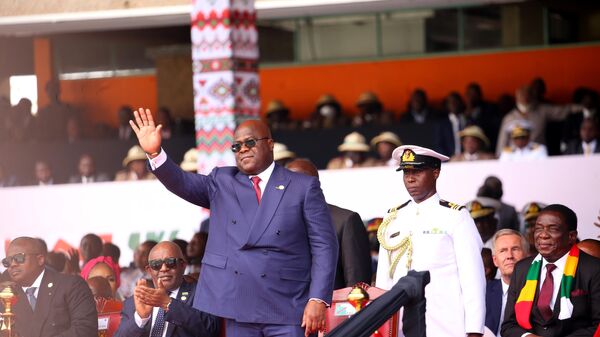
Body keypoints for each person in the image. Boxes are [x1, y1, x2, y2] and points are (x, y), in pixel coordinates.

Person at [129, 108, 338, 337]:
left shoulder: (302, 186)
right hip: (238, 306)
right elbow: (182, 182)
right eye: (236, 146)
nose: (243, 149)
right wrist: (155, 153)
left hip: (287, 306)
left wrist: (317, 298)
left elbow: (324, 246)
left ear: (270, 144)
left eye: (250, 142)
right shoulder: (223, 181)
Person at [375, 144, 486, 337]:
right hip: (399, 326)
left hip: (444, 326)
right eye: (406, 172)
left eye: (417, 171)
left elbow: (473, 279)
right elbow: (384, 280)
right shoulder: (392, 218)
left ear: (436, 172)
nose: (410, 178)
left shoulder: (456, 216)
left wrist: (474, 330)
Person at [501, 204, 600, 336]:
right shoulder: (522, 269)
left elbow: (597, 326)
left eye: (552, 229)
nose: (543, 235)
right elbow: (508, 326)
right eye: (538, 229)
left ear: (571, 236)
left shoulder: (594, 269)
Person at [286, 158, 372, 289]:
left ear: (316, 184)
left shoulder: (345, 220)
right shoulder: (274, 221)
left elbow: (357, 282)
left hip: (332, 307)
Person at [115, 241, 219, 337]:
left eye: (170, 262)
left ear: (182, 265)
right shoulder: (137, 300)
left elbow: (211, 330)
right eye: (156, 265)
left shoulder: (201, 293)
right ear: (149, 270)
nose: (164, 269)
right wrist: (141, 318)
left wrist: (168, 304)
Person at [2, 237, 97, 337]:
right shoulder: (7, 296)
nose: (12, 264)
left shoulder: (71, 285)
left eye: (19, 258)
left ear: (40, 259)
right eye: (7, 261)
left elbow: (85, 329)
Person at [496, 85, 581, 156]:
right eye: (522, 96)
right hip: (515, 157)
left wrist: (581, 108)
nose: (525, 99)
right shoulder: (509, 118)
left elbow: (562, 111)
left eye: (528, 96)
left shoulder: (542, 110)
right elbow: (502, 142)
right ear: (517, 98)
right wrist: (499, 156)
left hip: (537, 154)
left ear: (532, 97)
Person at [485, 229, 529, 336]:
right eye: (503, 250)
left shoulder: (540, 290)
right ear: (495, 260)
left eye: (515, 249)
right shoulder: (482, 291)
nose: (509, 255)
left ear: (527, 257)